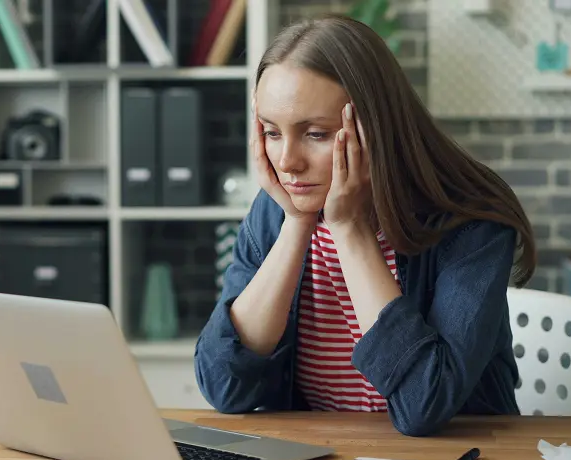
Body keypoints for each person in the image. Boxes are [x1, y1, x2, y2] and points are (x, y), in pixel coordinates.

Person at [193, 14, 537, 437]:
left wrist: (351, 230)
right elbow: (224, 387)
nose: (287, 162)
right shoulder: (277, 211)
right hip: (321, 457)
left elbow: (423, 406)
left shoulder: (470, 221)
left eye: (316, 134)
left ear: (377, 127)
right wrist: (297, 224)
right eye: (271, 132)